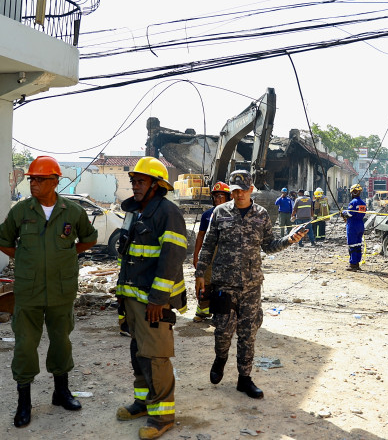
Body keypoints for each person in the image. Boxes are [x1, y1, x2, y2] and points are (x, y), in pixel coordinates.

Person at [0, 156, 98, 429]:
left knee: (61, 341)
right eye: (32, 179)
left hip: (61, 289)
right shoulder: (21, 211)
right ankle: (24, 402)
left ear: (54, 181)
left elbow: (89, 238)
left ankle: (61, 392)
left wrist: (67, 254)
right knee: (25, 345)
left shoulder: (72, 211)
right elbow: (3, 241)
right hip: (28, 290)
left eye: (40, 180)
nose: (34, 184)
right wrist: (25, 258)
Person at [195, 170, 307, 400]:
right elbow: (208, 245)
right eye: (235, 191)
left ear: (251, 189)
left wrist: (290, 240)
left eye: (243, 190)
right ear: (231, 191)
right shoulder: (220, 213)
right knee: (222, 331)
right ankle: (220, 358)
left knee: (248, 334)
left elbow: (269, 245)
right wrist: (200, 274)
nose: (239, 195)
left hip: (251, 285)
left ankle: (244, 379)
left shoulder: (261, 215)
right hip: (224, 284)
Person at [114, 157, 187, 440]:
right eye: (133, 181)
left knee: (156, 356)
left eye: (141, 181)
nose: (135, 186)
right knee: (139, 353)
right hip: (133, 298)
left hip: (153, 301)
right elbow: (128, 257)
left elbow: (172, 259)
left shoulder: (168, 213)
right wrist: (121, 297)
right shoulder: (136, 213)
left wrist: (158, 299)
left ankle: (162, 416)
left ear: (157, 185)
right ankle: (143, 403)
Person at [192, 181, 231, 322]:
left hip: (226, 252)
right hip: (210, 251)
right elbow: (201, 235)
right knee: (206, 281)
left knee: (224, 283)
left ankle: (220, 313)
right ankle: (203, 310)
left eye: (221, 196)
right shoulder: (207, 215)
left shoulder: (234, 214)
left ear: (228, 197)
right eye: (215, 196)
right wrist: (196, 256)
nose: (218, 199)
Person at [342, 184, 367, 271]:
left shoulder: (353, 202)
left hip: (352, 225)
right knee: (358, 245)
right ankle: (357, 264)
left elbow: (349, 214)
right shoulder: (363, 203)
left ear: (352, 193)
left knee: (352, 245)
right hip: (360, 225)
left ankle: (352, 264)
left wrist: (343, 212)